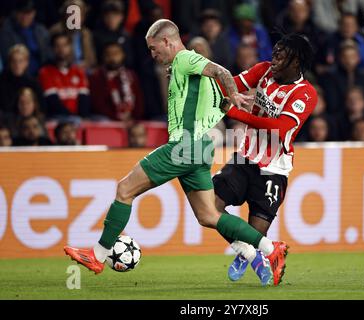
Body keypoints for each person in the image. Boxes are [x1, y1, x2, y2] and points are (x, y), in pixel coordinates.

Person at [64, 19, 288, 287]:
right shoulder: (187, 72)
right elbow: (213, 90)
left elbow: (222, 72)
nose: (152, 54)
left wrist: (233, 95)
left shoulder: (184, 59)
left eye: (153, 48)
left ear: (167, 41)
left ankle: (98, 255)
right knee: (208, 216)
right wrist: (227, 98)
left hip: (185, 146)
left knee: (125, 189)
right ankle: (269, 249)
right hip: (200, 148)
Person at [214, 33, 317, 283]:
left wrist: (236, 113)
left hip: (274, 170)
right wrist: (192, 81)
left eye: (281, 54)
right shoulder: (263, 70)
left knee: (254, 231)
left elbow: (279, 128)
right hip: (245, 158)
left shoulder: (305, 94)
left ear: (295, 62)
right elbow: (230, 86)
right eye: (275, 51)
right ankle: (252, 253)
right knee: (210, 206)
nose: (274, 57)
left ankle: (250, 252)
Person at [38, 32, 90, 120]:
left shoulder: (78, 71)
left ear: (70, 47)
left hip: (77, 118)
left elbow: (84, 100)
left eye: (64, 45)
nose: (61, 49)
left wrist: (82, 117)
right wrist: (73, 118)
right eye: (57, 46)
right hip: (57, 117)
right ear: (52, 49)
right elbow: (53, 102)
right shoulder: (45, 72)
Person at [89, 42, 144, 122]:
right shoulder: (96, 77)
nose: (112, 58)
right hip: (109, 120)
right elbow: (98, 104)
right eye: (108, 54)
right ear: (103, 57)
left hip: (132, 120)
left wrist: (134, 117)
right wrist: (116, 118)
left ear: (123, 55)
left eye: (116, 53)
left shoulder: (131, 75)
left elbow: (139, 101)